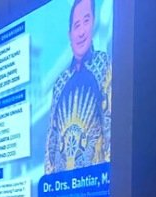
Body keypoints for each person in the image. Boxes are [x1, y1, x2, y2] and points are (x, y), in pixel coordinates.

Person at [45, 0, 111, 174]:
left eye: (86, 21)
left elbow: (109, 129)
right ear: (70, 34)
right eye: (76, 25)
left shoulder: (103, 65)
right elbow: (51, 146)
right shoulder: (60, 83)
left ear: (93, 22)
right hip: (62, 187)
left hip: (93, 183)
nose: (81, 32)